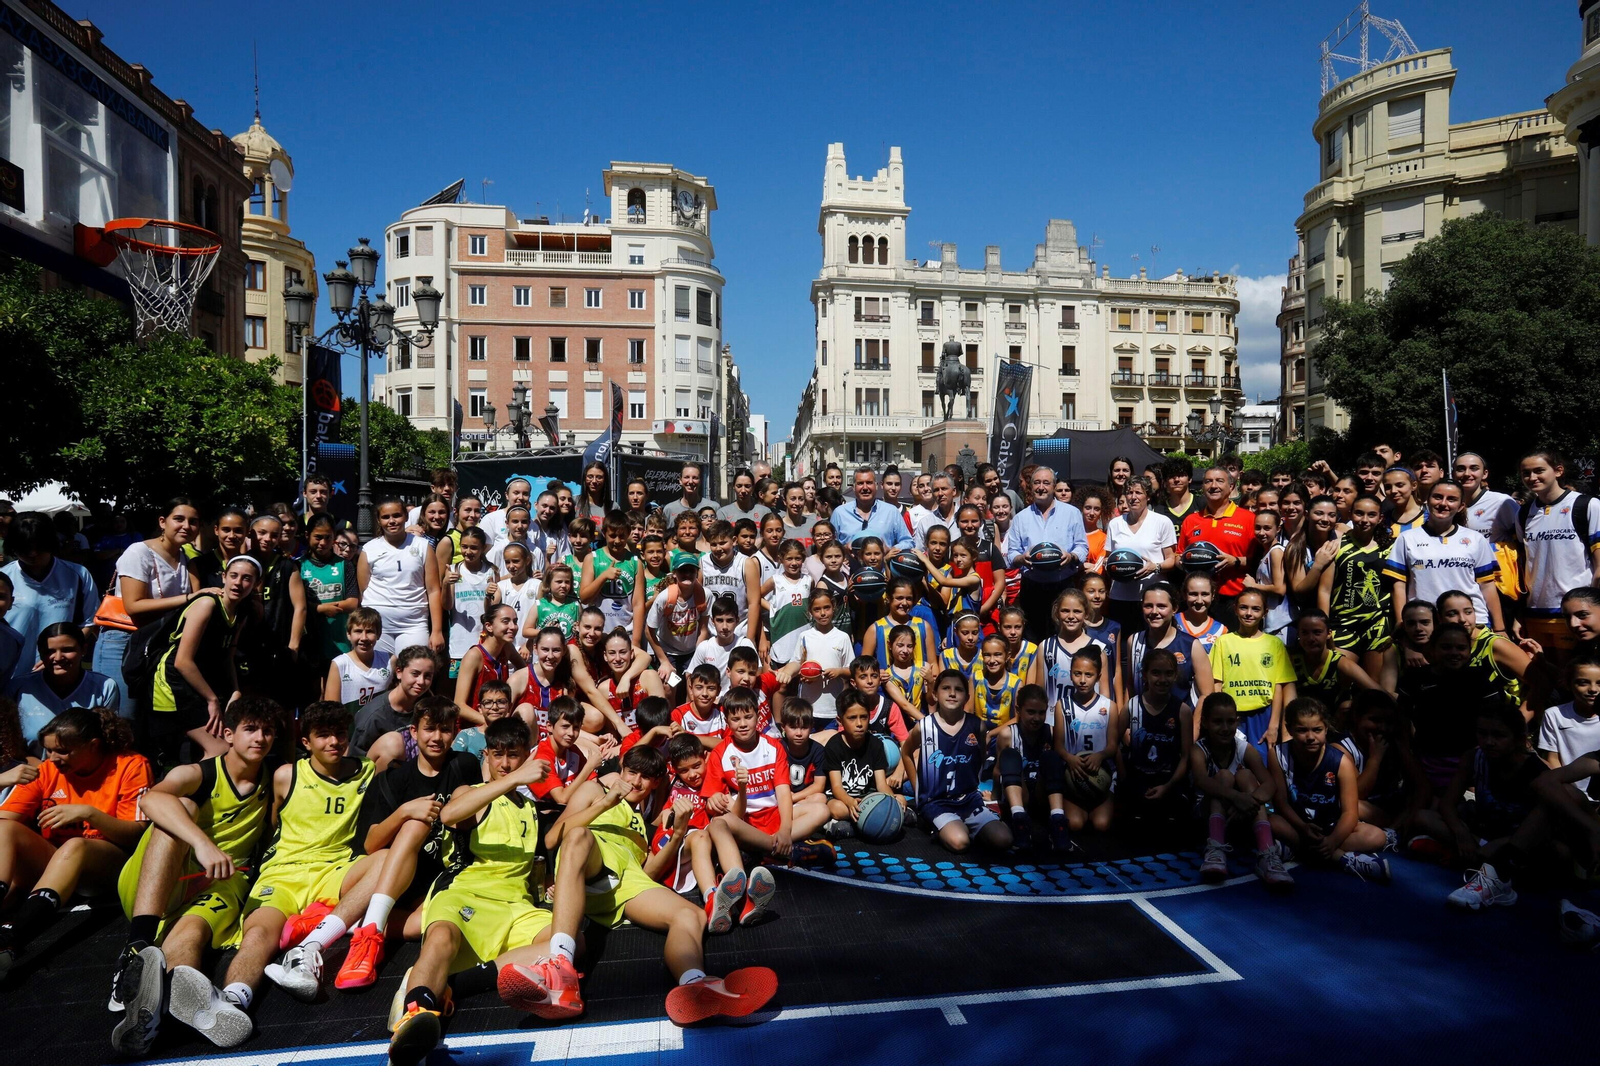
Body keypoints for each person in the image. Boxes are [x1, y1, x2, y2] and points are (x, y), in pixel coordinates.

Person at [547, 747, 781, 1028]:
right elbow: (552, 838)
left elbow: (649, 873)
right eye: (631, 772)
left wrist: (679, 833)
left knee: (691, 915)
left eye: (645, 777)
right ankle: (560, 965)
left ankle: (695, 985)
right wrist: (605, 803)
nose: (636, 782)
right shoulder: (595, 791)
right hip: (588, 861)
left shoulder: (643, 822)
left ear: (656, 782)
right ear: (621, 770)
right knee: (578, 836)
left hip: (625, 882)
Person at [107, 697, 283, 1056]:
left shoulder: (274, 775)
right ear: (229, 735)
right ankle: (135, 948)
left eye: (267, 731)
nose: (260, 738)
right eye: (250, 729)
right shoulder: (199, 774)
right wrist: (203, 845)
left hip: (221, 881)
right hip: (155, 881)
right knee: (180, 807)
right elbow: (150, 800)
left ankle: (165, 1010)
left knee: (191, 935)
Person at [0, 708, 148, 979]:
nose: (52, 758)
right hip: (57, 862)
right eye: (48, 750)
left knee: (76, 846)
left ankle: (12, 938)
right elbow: (4, 824)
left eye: (63, 751)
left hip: (110, 865)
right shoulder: (47, 770)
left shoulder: (130, 765)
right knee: (4, 828)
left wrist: (88, 814)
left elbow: (137, 835)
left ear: (93, 745)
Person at [95, 498, 204, 718]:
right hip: (123, 641)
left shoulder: (187, 559)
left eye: (193, 522)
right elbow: (134, 605)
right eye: (179, 519)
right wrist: (188, 597)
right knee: (120, 717)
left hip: (156, 643)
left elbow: (198, 602)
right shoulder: (139, 552)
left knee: (146, 719)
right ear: (163, 522)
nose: (186, 526)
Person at [147, 556, 260, 763]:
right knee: (220, 750)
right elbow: (182, 661)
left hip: (202, 683)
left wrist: (235, 690)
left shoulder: (242, 612)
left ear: (255, 584)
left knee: (217, 749)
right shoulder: (207, 604)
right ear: (224, 577)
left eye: (246, 578)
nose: (238, 583)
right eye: (233, 575)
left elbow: (228, 656)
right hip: (174, 683)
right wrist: (212, 699)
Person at [1268, 697, 1393, 883]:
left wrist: (1332, 841)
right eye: (1302, 730)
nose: (1310, 737)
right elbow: (1281, 802)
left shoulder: (1341, 762)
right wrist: (1302, 827)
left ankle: (1295, 850)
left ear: (1326, 728)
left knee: (1376, 836)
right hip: (1296, 825)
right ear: (1289, 729)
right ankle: (1341, 858)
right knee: (1271, 821)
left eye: (1317, 730)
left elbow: (1350, 813)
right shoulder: (1277, 755)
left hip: (1330, 826)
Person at [902, 670, 1013, 854]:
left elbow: (980, 756)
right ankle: (937, 825)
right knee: (960, 841)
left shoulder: (977, 726)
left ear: (967, 697)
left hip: (969, 800)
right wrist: (917, 790)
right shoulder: (924, 727)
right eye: (946, 688)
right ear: (935, 694)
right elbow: (906, 753)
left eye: (958, 689)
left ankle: (970, 826)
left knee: (1004, 839)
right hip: (936, 802)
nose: (952, 693)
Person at [1189, 692, 1289, 887]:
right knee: (1224, 777)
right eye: (1218, 722)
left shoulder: (1244, 748)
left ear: (1237, 722)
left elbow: (1269, 784)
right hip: (1205, 818)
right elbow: (1201, 781)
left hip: (1240, 814)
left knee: (1246, 776)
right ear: (1206, 722)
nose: (1225, 728)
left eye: (1230, 721)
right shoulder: (1198, 750)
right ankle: (1215, 849)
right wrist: (1237, 797)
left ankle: (1267, 854)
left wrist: (1250, 801)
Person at [1383, 479, 1504, 635]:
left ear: (1461, 506)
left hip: (1472, 624)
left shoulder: (1476, 539)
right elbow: (1398, 585)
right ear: (1427, 501)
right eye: (1438, 497)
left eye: (1451, 499)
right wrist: (1402, 623)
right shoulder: (1407, 538)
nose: (1443, 503)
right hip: (1426, 625)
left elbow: (1487, 585)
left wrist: (1500, 628)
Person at [1516, 449, 1600, 666]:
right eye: (1526, 473)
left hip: (1575, 614)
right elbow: (1525, 565)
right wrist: (1520, 613)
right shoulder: (1523, 513)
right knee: (1544, 677)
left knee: (1576, 675)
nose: (1532, 477)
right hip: (1535, 613)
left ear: (1558, 471)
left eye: (1539, 471)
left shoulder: (1587, 505)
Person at [3, 513, 98, 681]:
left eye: (39, 547)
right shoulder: (4, 578)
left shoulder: (77, 575)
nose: (32, 554)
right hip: (9, 674)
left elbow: (89, 622)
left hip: (58, 674)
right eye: (24, 548)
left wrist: (57, 655)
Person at [1209, 588, 1295, 757]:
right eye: (1243, 607)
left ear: (1265, 612)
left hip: (1263, 716)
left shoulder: (1275, 644)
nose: (1249, 613)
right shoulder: (1223, 642)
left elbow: (1278, 687)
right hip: (1231, 716)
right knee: (1231, 763)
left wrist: (1274, 725)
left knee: (1262, 764)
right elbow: (1216, 684)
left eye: (1256, 609)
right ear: (1235, 609)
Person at [1009, 466, 1089, 643]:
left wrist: (1071, 556)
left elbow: (1082, 547)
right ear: (1031, 486)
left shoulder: (1072, 513)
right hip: (1032, 588)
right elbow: (1012, 554)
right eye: (1037, 483)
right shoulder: (1020, 518)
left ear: (1054, 486)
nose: (1041, 487)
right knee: (1033, 640)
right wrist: (1022, 558)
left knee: (1064, 637)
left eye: (1046, 483)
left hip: (1062, 585)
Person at [7, 624, 119, 747]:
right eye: (50, 651)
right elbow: (9, 742)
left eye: (67, 650)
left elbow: (108, 741)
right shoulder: (19, 688)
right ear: (41, 653)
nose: (58, 658)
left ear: (84, 649)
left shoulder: (104, 687)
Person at [359, 498, 445, 657]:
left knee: (413, 669)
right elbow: (363, 589)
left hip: (414, 625)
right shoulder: (369, 549)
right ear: (378, 520)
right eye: (385, 517)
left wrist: (437, 631)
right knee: (381, 671)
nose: (391, 521)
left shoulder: (422, 546)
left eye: (397, 515)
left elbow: (433, 590)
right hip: (377, 625)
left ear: (406, 516)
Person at [1119, 648, 1192, 824]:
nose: (1162, 679)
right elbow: (1112, 745)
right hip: (1136, 782)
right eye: (1156, 673)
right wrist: (1125, 780)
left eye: (1168, 673)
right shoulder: (1131, 707)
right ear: (1145, 675)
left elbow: (1186, 756)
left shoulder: (1182, 710)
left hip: (1169, 783)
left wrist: (1168, 786)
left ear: (1175, 676)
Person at [1048, 658, 1115, 844]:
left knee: (1101, 824)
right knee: (1075, 824)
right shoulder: (1062, 705)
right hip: (1073, 775)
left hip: (1099, 775)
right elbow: (1058, 745)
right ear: (1070, 675)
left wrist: (1100, 755)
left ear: (1098, 677)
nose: (1083, 680)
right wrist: (1069, 758)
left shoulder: (1109, 706)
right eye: (1077, 674)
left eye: (1089, 675)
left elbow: (1112, 746)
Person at [1177, 467, 1254, 628]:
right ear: (1202, 487)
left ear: (1231, 486)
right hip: (1199, 599)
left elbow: (1258, 561)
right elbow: (1179, 555)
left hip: (1233, 598)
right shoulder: (1191, 520)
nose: (1213, 486)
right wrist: (1185, 563)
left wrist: (1235, 561)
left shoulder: (1248, 519)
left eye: (1219, 481)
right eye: (1208, 481)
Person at [823, 691, 904, 835]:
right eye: (852, 718)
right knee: (836, 809)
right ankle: (871, 821)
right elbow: (836, 787)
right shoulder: (833, 745)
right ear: (840, 720)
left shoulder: (876, 744)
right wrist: (849, 801)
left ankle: (856, 824)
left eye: (864, 717)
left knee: (900, 799)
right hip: (842, 798)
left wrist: (892, 802)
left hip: (868, 796)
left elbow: (881, 784)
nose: (859, 724)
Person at [1104, 477, 1177, 632]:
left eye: (1138, 492)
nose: (1133, 497)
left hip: (1153, 597)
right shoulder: (1115, 524)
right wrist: (1110, 566)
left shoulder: (1162, 522)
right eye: (1129, 492)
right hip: (1121, 595)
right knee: (1124, 643)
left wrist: (1155, 567)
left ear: (1148, 496)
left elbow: (1171, 559)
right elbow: (1109, 558)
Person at [351, 647, 438, 757]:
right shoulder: (374, 716)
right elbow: (356, 760)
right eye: (415, 674)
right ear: (399, 672)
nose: (421, 681)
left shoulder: (428, 703)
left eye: (427, 676)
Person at [448, 604, 522, 730]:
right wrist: (494, 724)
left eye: (515, 621)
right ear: (489, 626)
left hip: (496, 723)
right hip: (473, 728)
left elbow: (527, 672)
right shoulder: (474, 656)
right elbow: (459, 705)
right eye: (505, 621)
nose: (513, 627)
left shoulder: (506, 648)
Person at [444, 528, 499, 678]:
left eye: (474, 547)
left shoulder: (491, 571)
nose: (468, 551)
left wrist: (489, 595)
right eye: (464, 546)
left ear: (483, 548)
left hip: (484, 642)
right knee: (458, 686)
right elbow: (447, 605)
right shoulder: (454, 570)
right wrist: (445, 584)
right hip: (459, 644)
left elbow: (495, 610)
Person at [581, 512, 640, 640]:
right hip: (598, 632)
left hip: (626, 631)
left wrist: (636, 640)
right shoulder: (592, 558)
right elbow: (584, 598)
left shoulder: (635, 562)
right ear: (604, 533)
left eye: (622, 536)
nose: (617, 541)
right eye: (612, 536)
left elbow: (638, 604)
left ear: (628, 534)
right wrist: (603, 577)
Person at [325, 608, 393, 712]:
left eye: (370, 631)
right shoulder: (339, 664)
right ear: (348, 634)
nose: (364, 638)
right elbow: (330, 710)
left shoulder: (389, 660)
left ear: (378, 634)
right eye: (358, 631)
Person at [834, 468, 912, 553]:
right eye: (860, 483)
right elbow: (830, 545)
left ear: (876, 486)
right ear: (853, 487)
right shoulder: (840, 513)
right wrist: (844, 548)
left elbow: (908, 542)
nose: (865, 487)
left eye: (869, 483)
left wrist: (890, 549)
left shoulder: (891, 512)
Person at [480, 478, 533, 546]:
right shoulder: (490, 519)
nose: (521, 497)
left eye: (525, 494)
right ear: (507, 495)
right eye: (516, 493)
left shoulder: (534, 526)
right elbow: (485, 551)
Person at [1155, 456, 1201, 525]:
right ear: (1165, 481)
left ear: (1190, 479)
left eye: (1181, 475)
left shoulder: (1202, 505)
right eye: (1171, 476)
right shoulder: (1158, 511)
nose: (1176, 480)